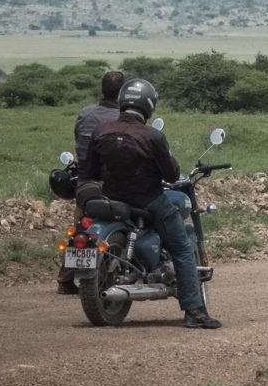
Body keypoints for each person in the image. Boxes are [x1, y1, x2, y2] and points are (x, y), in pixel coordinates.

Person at [79, 79, 221, 329]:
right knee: (181, 248)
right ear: (149, 105)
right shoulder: (153, 136)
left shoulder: (101, 131)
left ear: (123, 101)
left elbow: (91, 171)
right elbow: (171, 175)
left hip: (112, 198)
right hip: (149, 201)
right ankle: (195, 311)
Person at [59, 69, 124, 294]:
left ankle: (65, 279)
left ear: (101, 90)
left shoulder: (85, 114)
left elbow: (80, 143)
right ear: (123, 93)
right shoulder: (126, 119)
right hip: (115, 185)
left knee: (80, 228)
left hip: (85, 185)